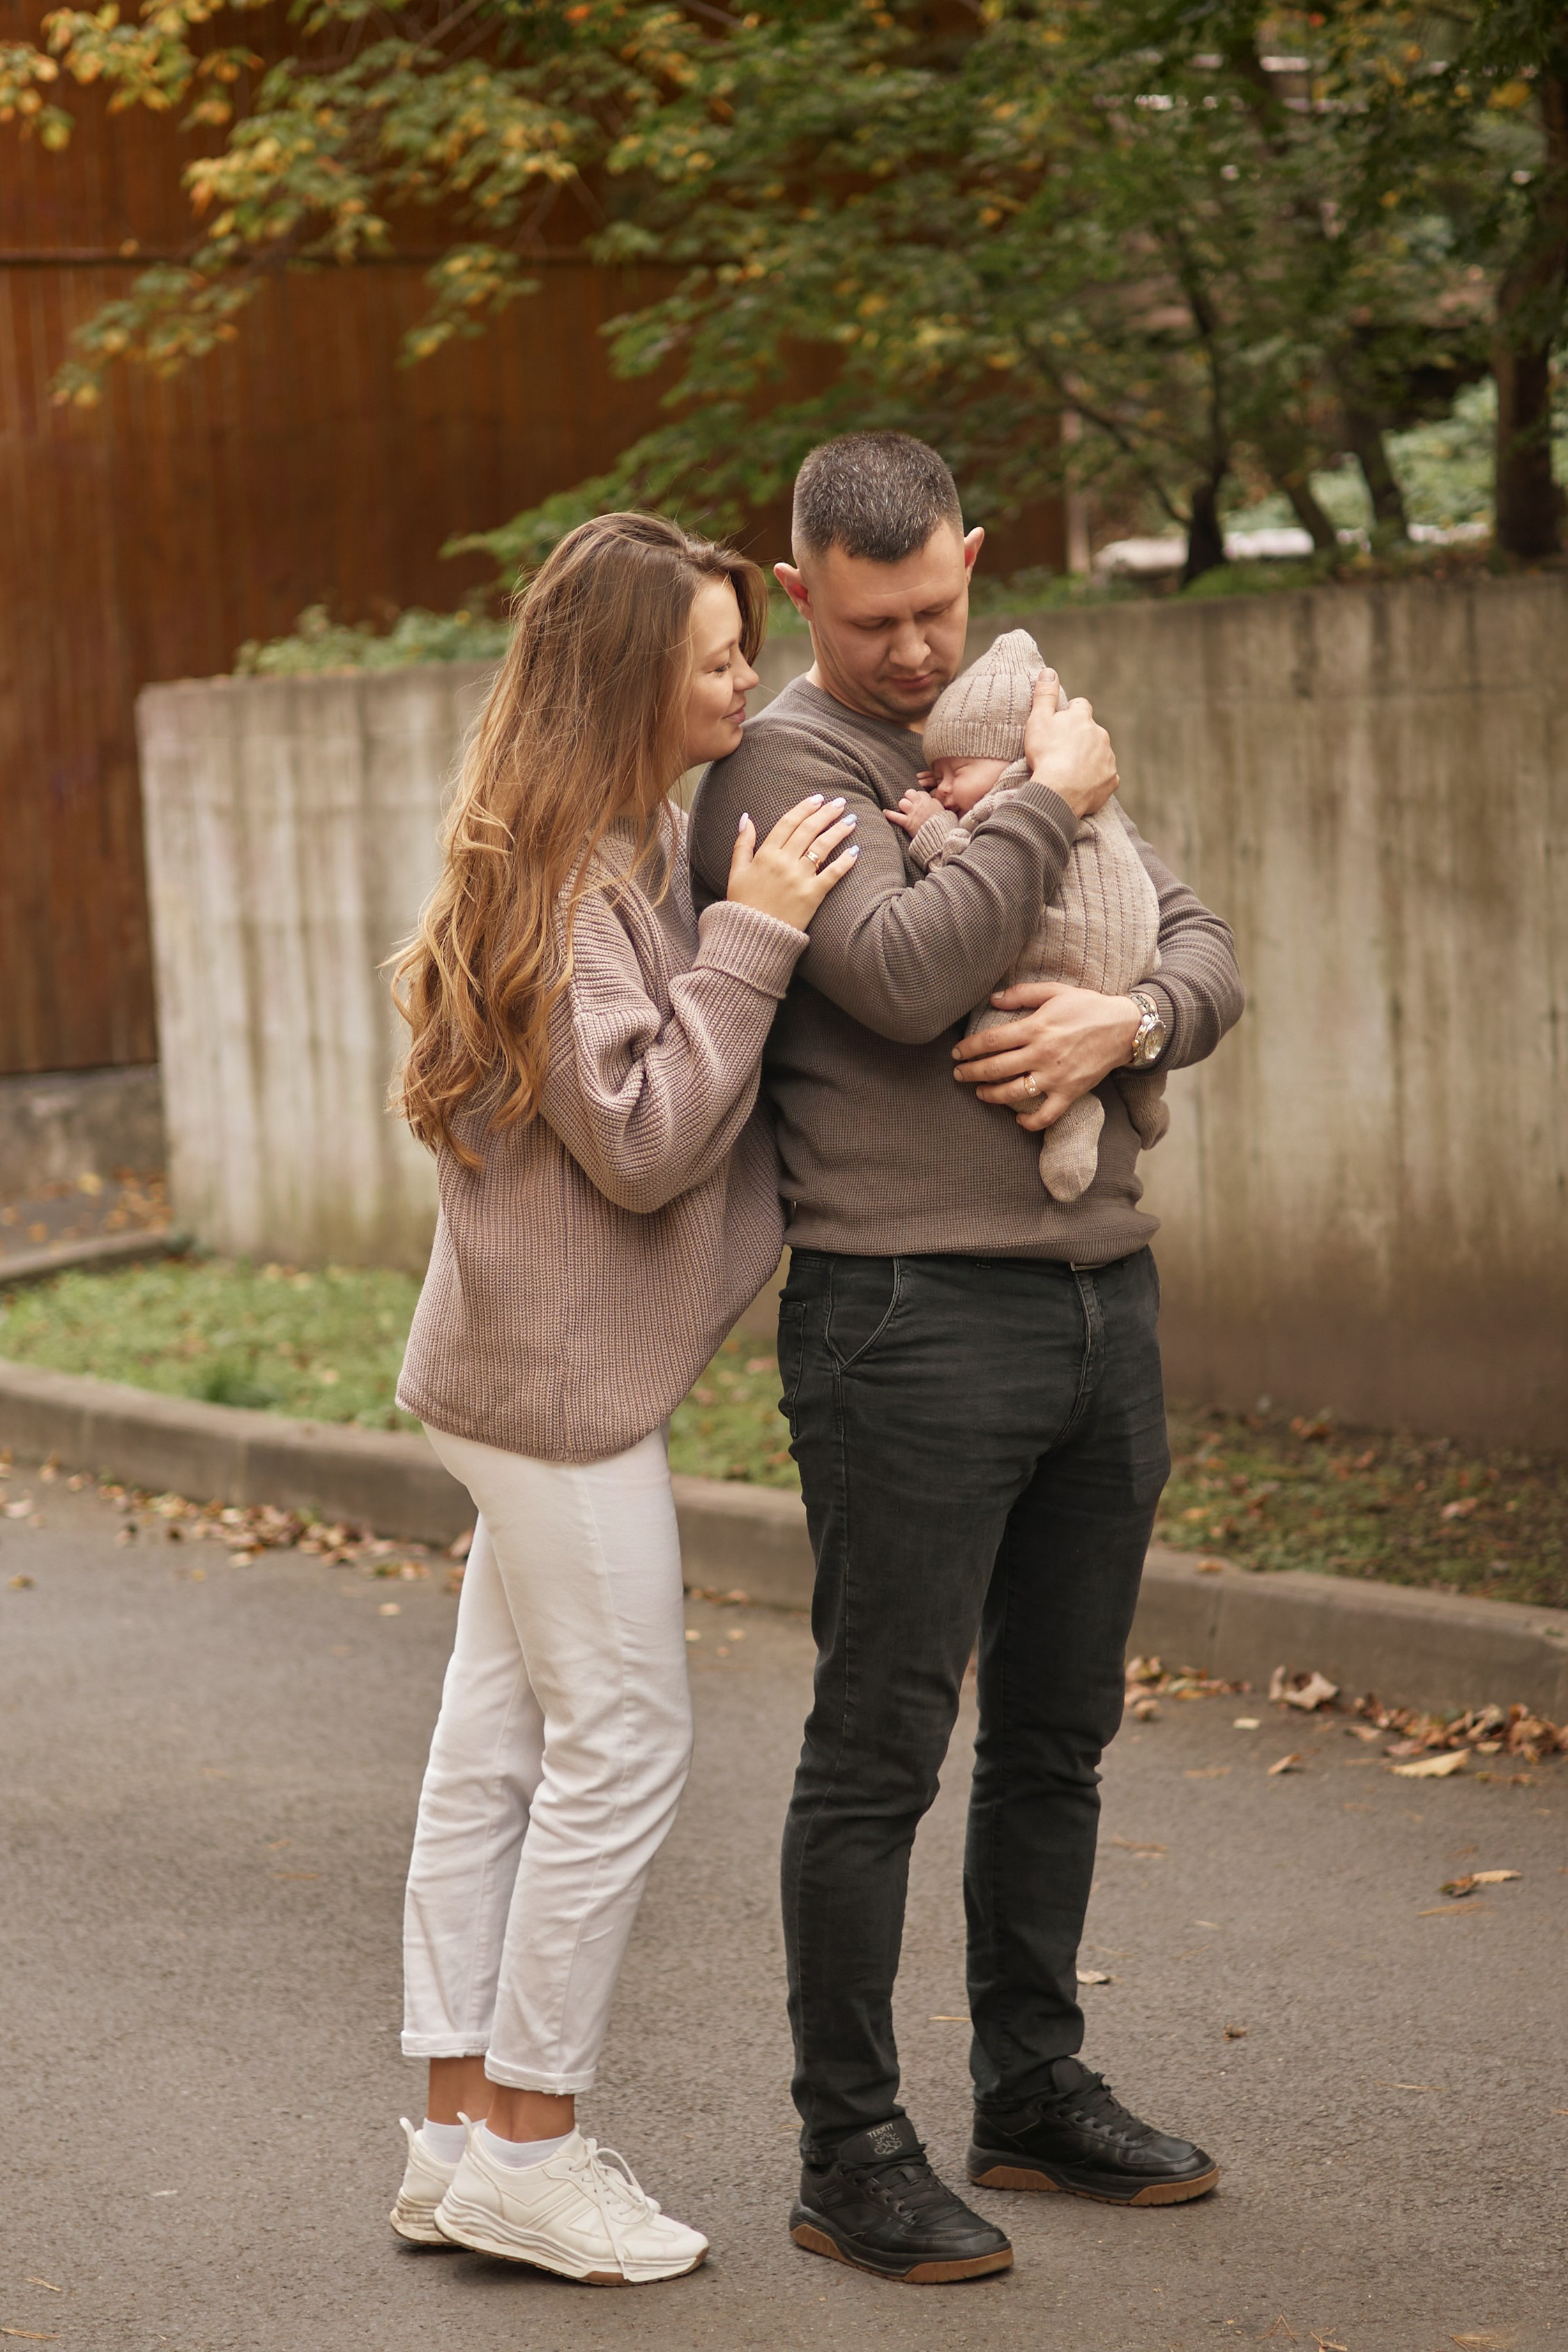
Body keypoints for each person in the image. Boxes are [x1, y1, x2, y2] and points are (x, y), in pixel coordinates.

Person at [689, 433, 1244, 2286]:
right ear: (797, 597)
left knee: (1061, 1734)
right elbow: (913, 973)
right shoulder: (784, 763)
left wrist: (1126, 1016)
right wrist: (1047, 798)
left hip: (1103, 1298)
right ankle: (851, 2149)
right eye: (873, 623)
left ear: (975, 559)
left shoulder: (1023, 725)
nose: (916, 653)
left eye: (939, 606)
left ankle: (1037, 2085)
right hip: (908, 1317)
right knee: (880, 1748)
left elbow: (1205, 945)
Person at [386, 511, 857, 2286]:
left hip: (505, 1363)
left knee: (496, 1745)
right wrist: (757, 940)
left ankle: (453, 2134)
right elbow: (651, 1143)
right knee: (623, 1740)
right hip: (554, 1391)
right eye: (720, 654)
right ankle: (538, 2136)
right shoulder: (576, 879)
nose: (746, 678)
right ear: (629, 677)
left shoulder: (594, 838)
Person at [888, 625, 1169, 1203]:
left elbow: (965, 872)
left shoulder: (1023, 798)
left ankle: (1070, 1117)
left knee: (996, 1040)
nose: (941, 789)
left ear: (1017, 754)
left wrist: (929, 827)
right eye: (933, 776)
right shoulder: (1095, 802)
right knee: (1130, 1016)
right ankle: (1145, 1095)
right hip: (1139, 961)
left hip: (1056, 975)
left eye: (954, 771)